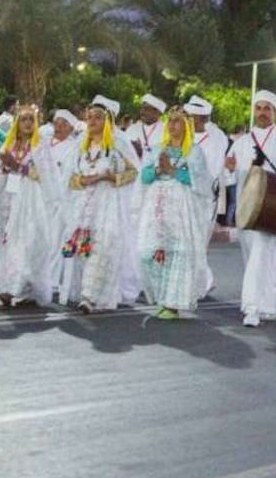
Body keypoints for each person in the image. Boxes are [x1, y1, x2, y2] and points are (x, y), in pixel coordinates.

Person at [225, 89, 276, 327]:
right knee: (258, 256)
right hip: (246, 206)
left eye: (267, 108)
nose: (262, 112)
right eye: (259, 108)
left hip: (272, 206)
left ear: (275, 112)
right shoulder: (242, 142)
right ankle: (274, 301)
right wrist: (229, 168)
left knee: (260, 253)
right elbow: (228, 177)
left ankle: (252, 308)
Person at [63, 103, 140, 313]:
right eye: (89, 118)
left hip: (108, 205)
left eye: (97, 117)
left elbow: (134, 172)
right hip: (84, 206)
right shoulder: (80, 146)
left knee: (104, 247)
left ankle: (90, 295)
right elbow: (68, 178)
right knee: (84, 250)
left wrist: (110, 177)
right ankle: (85, 293)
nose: (92, 122)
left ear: (106, 121)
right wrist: (83, 180)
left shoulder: (116, 146)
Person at [137, 106, 211, 320]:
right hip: (157, 206)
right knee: (147, 251)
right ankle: (162, 296)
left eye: (177, 121)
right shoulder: (156, 148)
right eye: (170, 121)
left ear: (186, 126)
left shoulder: (194, 152)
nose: (172, 125)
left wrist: (173, 171)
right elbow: (144, 176)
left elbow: (201, 182)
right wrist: (159, 170)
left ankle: (173, 303)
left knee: (178, 253)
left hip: (181, 208)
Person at [0, 106, 59, 307]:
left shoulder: (40, 146)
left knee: (29, 241)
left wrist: (21, 168)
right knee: (9, 241)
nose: (27, 123)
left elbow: (46, 174)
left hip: (31, 201)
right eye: (23, 119)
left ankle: (16, 287)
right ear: (17, 122)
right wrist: (5, 167)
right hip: (11, 197)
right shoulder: (11, 144)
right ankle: (10, 285)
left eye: (30, 119)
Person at [185, 95, 228, 299]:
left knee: (198, 243)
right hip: (182, 195)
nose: (188, 120)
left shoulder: (216, 139)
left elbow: (209, 171)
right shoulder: (183, 135)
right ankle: (200, 281)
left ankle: (198, 285)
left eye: (192, 117)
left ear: (203, 119)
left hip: (203, 199)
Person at [44, 108, 83, 301]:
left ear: (70, 128)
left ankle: (52, 280)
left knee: (56, 240)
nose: (58, 127)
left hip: (61, 200)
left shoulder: (74, 147)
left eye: (63, 124)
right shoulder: (44, 144)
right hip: (40, 198)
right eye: (56, 123)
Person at [126, 94, 166, 160]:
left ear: (157, 112)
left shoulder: (166, 131)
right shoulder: (132, 129)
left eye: (146, 109)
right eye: (141, 108)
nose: (142, 112)